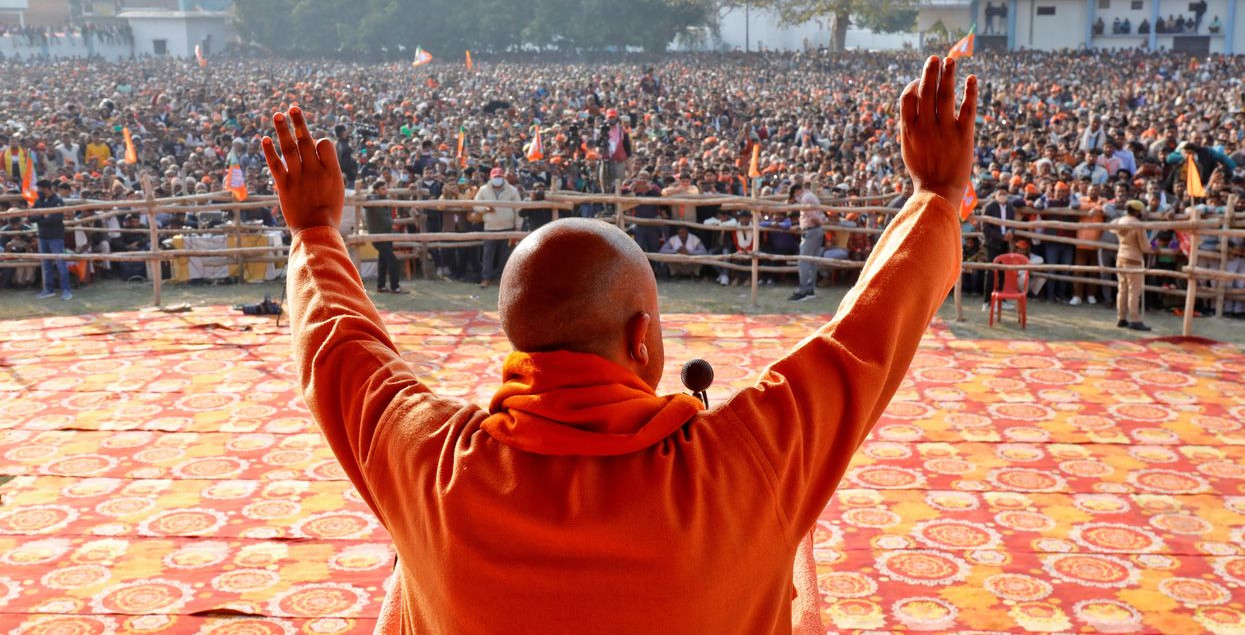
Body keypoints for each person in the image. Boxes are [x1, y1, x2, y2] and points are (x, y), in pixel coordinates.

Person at [261, 55, 974, 633]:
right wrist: (936, 196)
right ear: (641, 339)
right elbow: (866, 334)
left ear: (518, 337)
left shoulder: (425, 459)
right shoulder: (746, 461)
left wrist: (316, 230)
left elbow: (337, 342)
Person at [473, 166, 521, 287]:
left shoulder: (512, 190)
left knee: (505, 256)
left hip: (508, 227)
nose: (497, 179)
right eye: (495, 177)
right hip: (490, 227)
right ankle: (486, 278)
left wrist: (518, 226)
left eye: (499, 177)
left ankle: (502, 279)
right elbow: (475, 205)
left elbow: (518, 210)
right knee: (488, 255)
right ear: (491, 178)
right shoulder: (483, 190)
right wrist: (485, 209)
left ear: (503, 177)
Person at [30, 179, 72, 301]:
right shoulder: (38, 201)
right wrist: (43, 216)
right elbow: (31, 217)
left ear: (47, 188)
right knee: (46, 265)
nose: (39, 191)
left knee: (61, 264)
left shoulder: (57, 201)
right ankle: (48, 290)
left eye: (40, 189)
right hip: (42, 237)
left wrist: (40, 217)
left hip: (55, 237)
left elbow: (55, 218)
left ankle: (66, 290)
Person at [1115, 200, 1152, 331]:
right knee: (1134, 292)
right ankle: (1135, 319)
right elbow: (1144, 247)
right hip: (1134, 258)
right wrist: (1154, 248)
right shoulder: (1138, 225)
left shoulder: (1120, 221)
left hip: (1121, 256)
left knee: (1122, 289)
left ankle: (1121, 317)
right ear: (1137, 211)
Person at [365, 179, 403, 294]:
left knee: (383, 261)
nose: (385, 190)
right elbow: (368, 199)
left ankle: (381, 286)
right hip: (378, 236)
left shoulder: (384, 200)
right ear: (376, 190)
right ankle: (395, 287)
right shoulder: (372, 198)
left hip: (386, 234)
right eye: (383, 189)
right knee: (392, 260)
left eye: (386, 188)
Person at [789, 182, 823, 302]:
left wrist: (816, 223)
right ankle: (810, 289)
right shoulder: (810, 196)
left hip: (811, 230)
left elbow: (813, 216)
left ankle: (803, 290)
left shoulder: (805, 198)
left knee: (804, 261)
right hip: (814, 230)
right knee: (812, 261)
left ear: (796, 191)